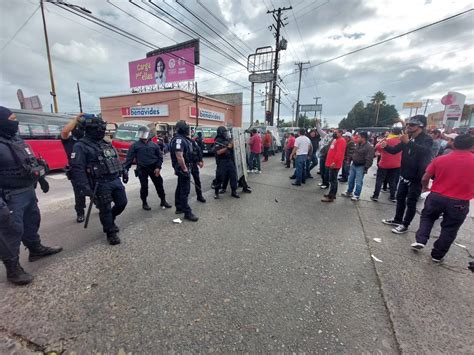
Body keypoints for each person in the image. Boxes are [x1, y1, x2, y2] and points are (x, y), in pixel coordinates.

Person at [0, 106, 62, 285]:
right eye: (11, 119)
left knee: (32, 222)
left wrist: (41, 178)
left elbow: (30, 163)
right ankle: (13, 269)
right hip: (9, 197)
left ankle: (35, 249)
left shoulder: (16, 139)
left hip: (27, 190)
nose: (15, 122)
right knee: (10, 232)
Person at [411, 134, 474, 262]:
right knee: (450, 228)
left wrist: (425, 188)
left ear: (454, 144)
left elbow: (425, 177)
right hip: (460, 202)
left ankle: (421, 240)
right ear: (472, 146)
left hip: (436, 196)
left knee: (427, 217)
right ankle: (437, 255)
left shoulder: (440, 159)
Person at [70, 114, 128, 245]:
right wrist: (84, 187)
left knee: (122, 202)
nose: (101, 130)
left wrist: (123, 171)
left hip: (114, 179)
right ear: (89, 129)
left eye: (103, 127)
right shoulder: (80, 146)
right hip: (99, 183)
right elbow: (77, 169)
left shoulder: (105, 143)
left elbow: (115, 158)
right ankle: (110, 232)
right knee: (105, 209)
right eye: (98, 128)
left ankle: (110, 219)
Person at [381, 115, 433, 234]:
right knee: (400, 198)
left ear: (421, 126)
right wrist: (386, 146)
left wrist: (408, 142)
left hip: (417, 177)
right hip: (405, 174)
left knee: (411, 202)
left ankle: (405, 224)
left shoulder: (427, 139)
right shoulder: (407, 137)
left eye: (412, 125)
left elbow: (424, 151)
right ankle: (397, 219)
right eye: (408, 124)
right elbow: (395, 150)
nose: (408, 126)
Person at [123, 126, 172, 211]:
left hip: (154, 168)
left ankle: (163, 201)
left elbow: (160, 157)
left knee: (159, 185)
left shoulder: (154, 145)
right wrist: (125, 169)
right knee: (144, 187)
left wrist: (158, 167)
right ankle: (144, 203)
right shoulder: (135, 146)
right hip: (142, 169)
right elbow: (129, 159)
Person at [61, 113, 87, 222]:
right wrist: (76, 119)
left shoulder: (86, 140)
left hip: (89, 169)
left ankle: (99, 205)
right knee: (79, 193)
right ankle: (80, 213)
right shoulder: (69, 141)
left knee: (96, 190)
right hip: (76, 171)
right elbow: (64, 132)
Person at [170, 121, 198, 221]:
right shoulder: (179, 140)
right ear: (182, 129)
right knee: (184, 191)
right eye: (186, 128)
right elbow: (179, 156)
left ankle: (179, 207)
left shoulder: (182, 139)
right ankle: (187, 212)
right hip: (183, 168)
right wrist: (185, 169)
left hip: (182, 167)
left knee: (180, 187)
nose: (187, 130)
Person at [341, 131, 374, 201]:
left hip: (361, 167)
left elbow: (369, 159)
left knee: (358, 182)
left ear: (363, 138)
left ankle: (356, 195)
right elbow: (353, 153)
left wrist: (366, 168)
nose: (357, 138)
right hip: (354, 165)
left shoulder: (369, 147)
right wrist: (349, 160)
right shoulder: (357, 144)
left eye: (359, 137)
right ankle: (349, 192)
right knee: (350, 180)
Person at [371, 127, 402, 202]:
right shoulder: (401, 141)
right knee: (392, 181)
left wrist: (384, 139)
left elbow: (377, 147)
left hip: (384, 163)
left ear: (391, 132)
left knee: (379, 179)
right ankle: (392, 196)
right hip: (396, 164)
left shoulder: (387, 140)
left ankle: (376, 195)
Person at [213, 126, 240, 199]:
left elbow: (232, 147)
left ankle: (234, 191)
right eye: (224, 132)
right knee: (220, 177)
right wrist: (228, 147)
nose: (226, 133)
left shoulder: (227, 139)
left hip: (230, 160)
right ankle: (216, 192)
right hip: (222, 161)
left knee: (233, 176)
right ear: (221, 133)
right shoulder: (218, 141)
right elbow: (218, 152)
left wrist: (235, 144)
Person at [321, 129, 346, 202]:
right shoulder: (335, 140)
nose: (334, 134)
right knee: (331, 179)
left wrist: (334, 162)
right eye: (334, 132)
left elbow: (339, 153)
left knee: (333, 180)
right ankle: (330, 194)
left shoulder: (341, 141)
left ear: (341, 133)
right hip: (330, 163)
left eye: (336, 133)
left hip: (334, 164)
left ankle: (331, 196)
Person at [188, 133, 206, 203]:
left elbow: (198, 151)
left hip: (194, 164)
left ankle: (199, 196)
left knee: (197, 180)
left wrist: (200, 160)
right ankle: (181, 202)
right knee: (185, 184)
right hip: (186, 165)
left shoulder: (193, 142)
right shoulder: (181, 141)